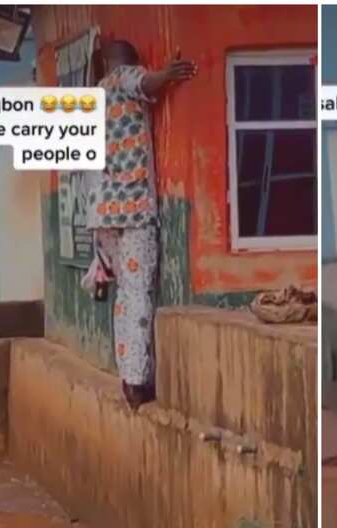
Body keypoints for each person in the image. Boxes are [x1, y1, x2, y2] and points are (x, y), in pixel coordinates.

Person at [81, 40, 196, 409]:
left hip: (102, 213)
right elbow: (142, 84)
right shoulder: (121, 79)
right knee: (139, 293)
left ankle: (126, 373)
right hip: (133, 208)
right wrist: (168, 75)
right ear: (129, 61)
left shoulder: (95, 94)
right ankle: (136, 381)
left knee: (123, 298)